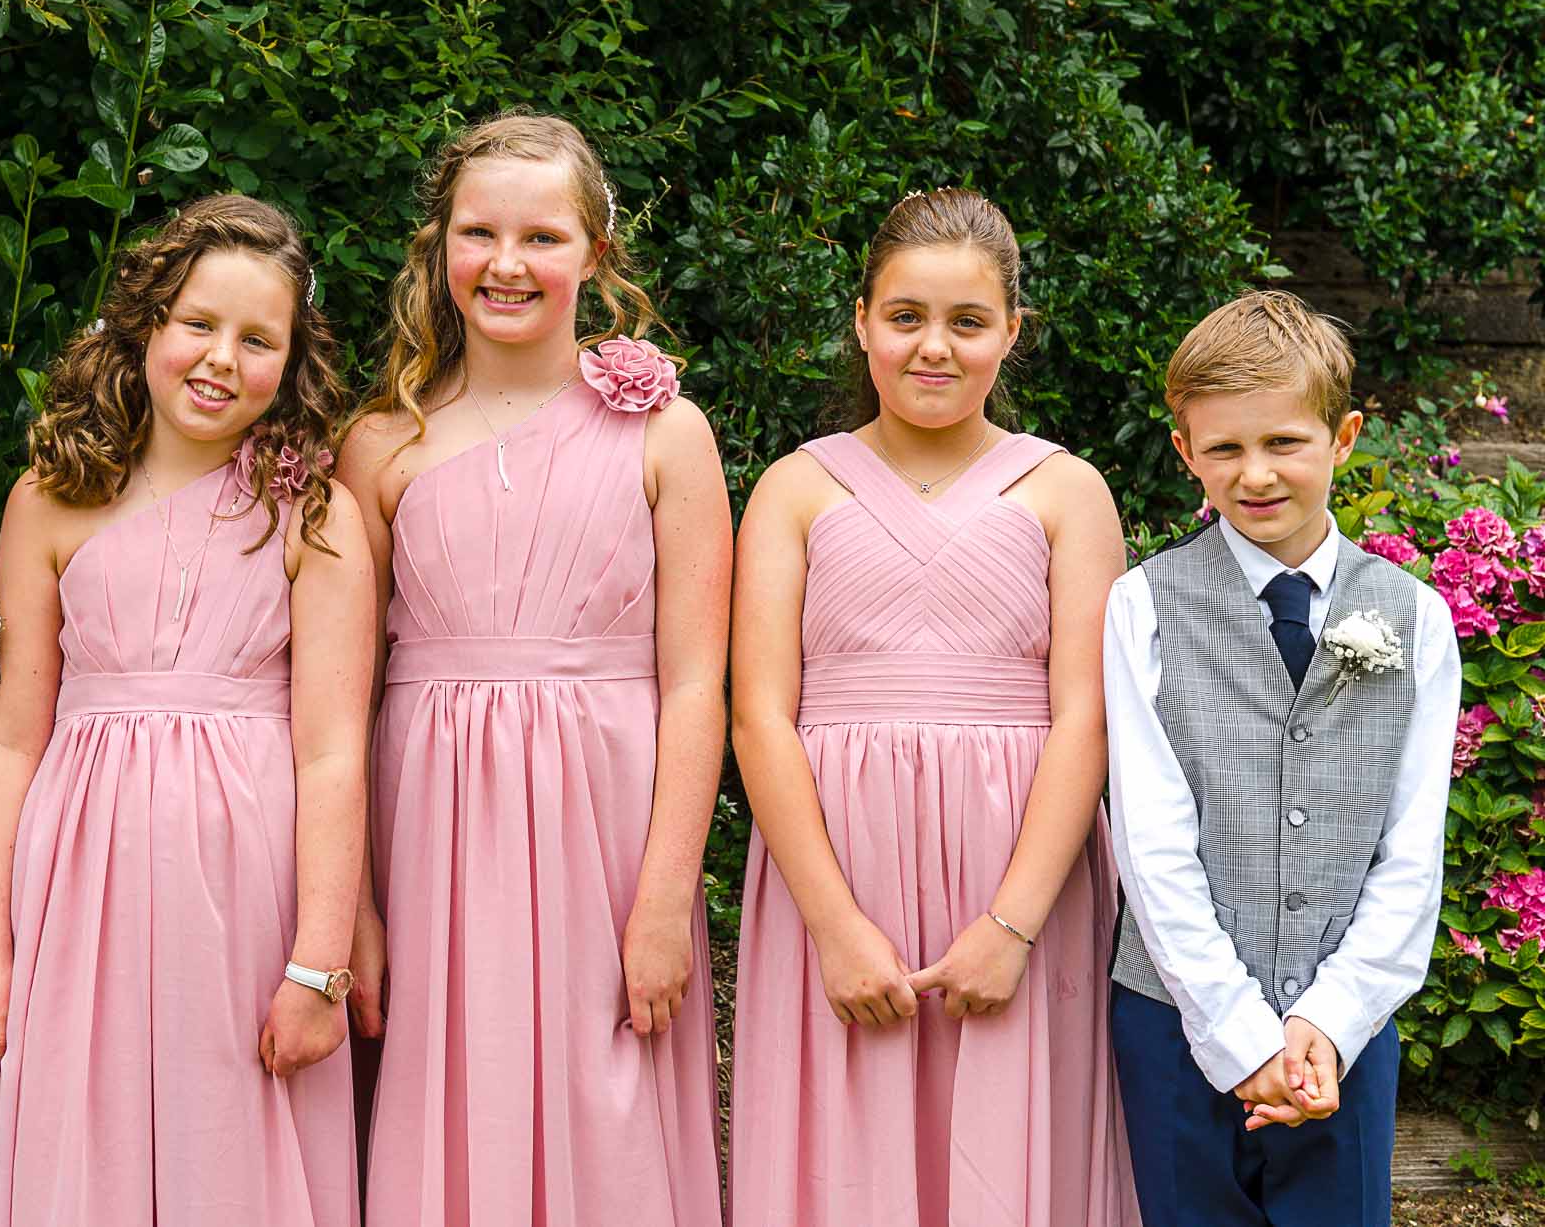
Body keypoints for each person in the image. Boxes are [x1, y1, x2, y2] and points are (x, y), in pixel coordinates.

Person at [336, 111, 728, 1225]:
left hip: (606, 832)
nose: (506, 264)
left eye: (542, 237)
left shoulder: (665, 435)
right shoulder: (380, 445)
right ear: (440, 248)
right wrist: (353, 906)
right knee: (446, 1093)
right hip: (428, 833)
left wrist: (664, 895)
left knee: (606, 1111)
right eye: (478, 233)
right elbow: (341, 696)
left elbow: (696, 680)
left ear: (594, 255)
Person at [728, 187, 1140, 1226]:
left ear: (1012, 329)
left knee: (1009, 1152)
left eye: (966, 321)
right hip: (836, 874)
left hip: (1016, 879)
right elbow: (756, 714)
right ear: (861, 319)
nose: (932, 348)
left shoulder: (1063, 490)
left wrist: (1011, 923)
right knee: (845, 1152)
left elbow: (1086, 716)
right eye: (904, 316)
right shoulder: (794, 487)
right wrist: (833, 923)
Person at [0, 196, 373, 1226]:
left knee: (225, 1135)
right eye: (198, 323)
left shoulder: (313, 513)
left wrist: (318, 964)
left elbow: (331, 750)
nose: (219, 358)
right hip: (80, 885)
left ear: (293, 358)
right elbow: (13, 734)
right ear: (145, 320)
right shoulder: (46, 500)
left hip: (245, 891)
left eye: (256, 338)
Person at [1107, 289, 1462, 1226]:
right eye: (1224, 448)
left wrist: (1327, 1023)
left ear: (1344, 436)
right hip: (1175, 1018)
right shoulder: (1142, 606)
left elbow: (1411, 853)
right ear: (1186, 453)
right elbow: (1148, 842)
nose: (1255, 473)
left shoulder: (1416, 617)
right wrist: (1235, 1032)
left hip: (1344, 1029)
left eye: (1284, 443)